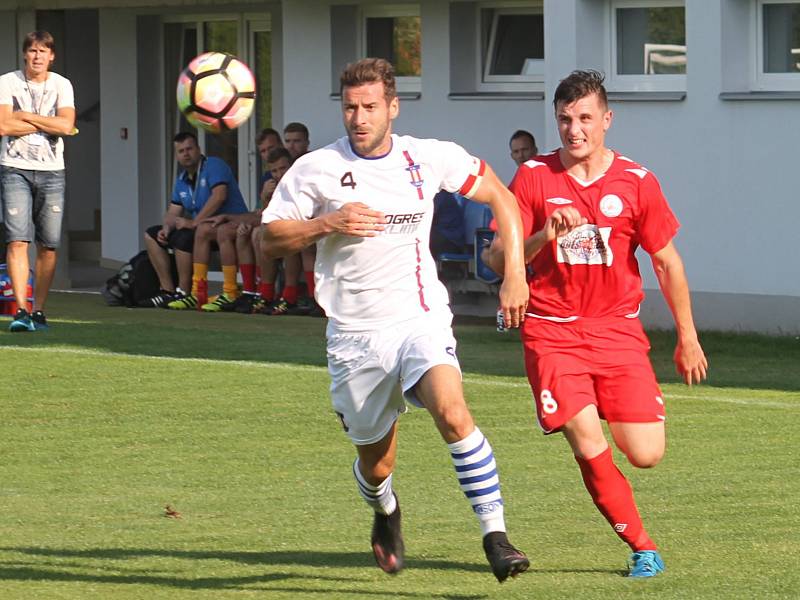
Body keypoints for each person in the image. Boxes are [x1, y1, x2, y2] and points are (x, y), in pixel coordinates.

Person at [261, 58, 531, 582]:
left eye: (369, 107)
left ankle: (496, 536)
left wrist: (514, 273)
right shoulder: (315, 168)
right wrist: (325, 223)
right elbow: (267, 240)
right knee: (376, 463)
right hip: (354, 336)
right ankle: (386, 510)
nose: (358, 118)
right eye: (349, 108)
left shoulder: (428, 158)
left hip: (419, 317)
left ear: (392, 107)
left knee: (453, 413)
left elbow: (501, 194)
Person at [484, 70, 708, 578]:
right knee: (588, 442)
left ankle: (603, 400)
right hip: (552, 332)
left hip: (617, 332)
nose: (574, 129)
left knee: (646, 454)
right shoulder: (533, 177)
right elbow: (499, 258)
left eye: (585, 118)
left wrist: (687, 336)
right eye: (565, 119)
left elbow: (667, 262)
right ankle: (643, 548)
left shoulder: (637, 181)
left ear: (606, 120)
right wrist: (543, 234)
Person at [0, 30, 75, 332]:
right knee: (17, 240)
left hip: (52, 171)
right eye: (32, 51)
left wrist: (27, 116)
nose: (37, 56)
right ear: (24, 54)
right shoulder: (7, 81)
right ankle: (20, 310)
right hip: (14, 168)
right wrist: (47, 123)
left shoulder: (62, 85)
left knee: (49, 245)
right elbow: (4, 124)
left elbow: (67, 125)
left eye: (43, 51)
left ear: (52, 56)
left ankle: (39, 310)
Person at [140, 132, 247, 308]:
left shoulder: (213, 165)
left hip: (229, 225)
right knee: (152, 234)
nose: (186, 154)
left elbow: (219, 196)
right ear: (177, 156)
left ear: (198, 149)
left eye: (189, 148)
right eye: (181, 151)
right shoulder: (181, 180)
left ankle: (186, 292)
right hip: (203, 230)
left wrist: (193, 222)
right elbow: (173, 211)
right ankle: (168, 292)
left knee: (185, 237)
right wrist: (167, 227)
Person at [222, 145, 293, 314]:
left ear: (291, 166)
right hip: (277, 229)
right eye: (274, 171)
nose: (279, 174)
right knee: (247, 233)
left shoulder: (298, 180)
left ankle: (289, 295)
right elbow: (267, 216)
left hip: (298, 229)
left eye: (283, 168)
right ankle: (255, 292)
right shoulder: (271, 185)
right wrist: (265, 198)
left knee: (285, 236)